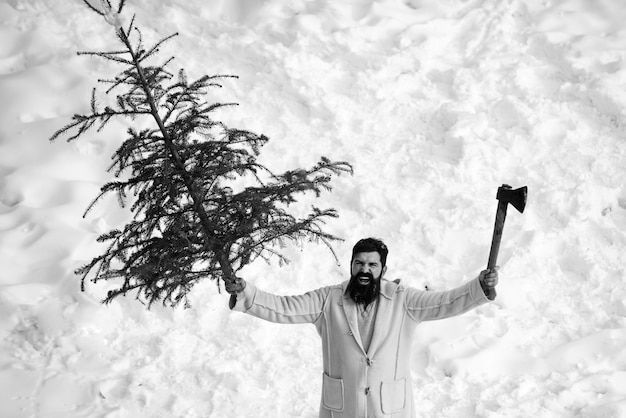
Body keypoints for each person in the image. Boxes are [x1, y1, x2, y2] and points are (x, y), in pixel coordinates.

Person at [226, 237, 498, 418]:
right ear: (351, 265)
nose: (364, 270)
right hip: (343, 408)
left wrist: (479, 287)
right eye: (359, 263)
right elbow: (282, 307)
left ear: (383, 268)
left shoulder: (403, 300)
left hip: (389, 409)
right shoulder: (328, 300)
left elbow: (446, 302)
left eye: (372, 264)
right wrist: (246, 292)